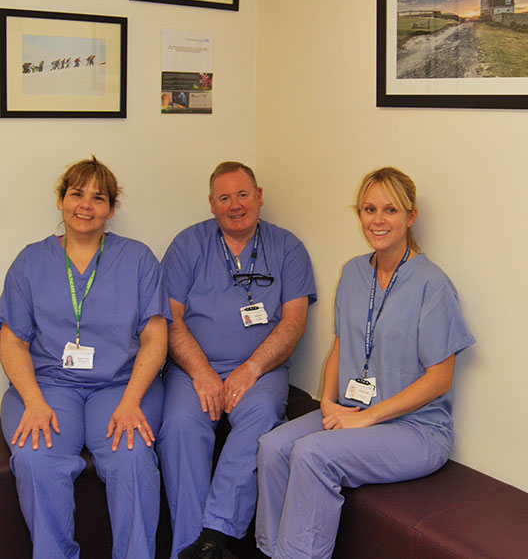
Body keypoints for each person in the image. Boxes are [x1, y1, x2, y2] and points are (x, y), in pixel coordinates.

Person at [255, 167, 475, 559]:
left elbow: (440, 379)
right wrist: (327, 401)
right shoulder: (354, 272)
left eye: (390, 210)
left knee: (312, 454)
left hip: (416, 429)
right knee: (273, 447)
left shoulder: (432, 285)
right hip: (354, 409)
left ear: (411, 216)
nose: (378, 219)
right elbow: (341, 346)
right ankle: (273, 552)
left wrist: (368, 418)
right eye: (369, 209)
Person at [0, 156, 170, 559]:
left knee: (131, 458)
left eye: (99, 197)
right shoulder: (29, 261)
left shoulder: (138, 259)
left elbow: (155, 337)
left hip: (122, 384)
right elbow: (12, 341)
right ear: (61, 200)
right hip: (49, 385)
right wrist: (34, 402)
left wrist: (131, 402)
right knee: (36, 458)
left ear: (111, 209)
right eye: (77, 193)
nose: (86, 205)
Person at [158, 161, 316, 559]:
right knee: (179, 425)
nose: (235, 205)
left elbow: (294, 322)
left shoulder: (288, 248)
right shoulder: (187, 245)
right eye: (224, 198)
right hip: (193, 370)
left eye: (243, 194)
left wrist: (251, 368)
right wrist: (201, 371)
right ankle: (188, 545)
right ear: (211, 204)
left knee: (261, 419)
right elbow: (170, 319)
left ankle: (215, 536)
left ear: (259, 197)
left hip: (260, 371)